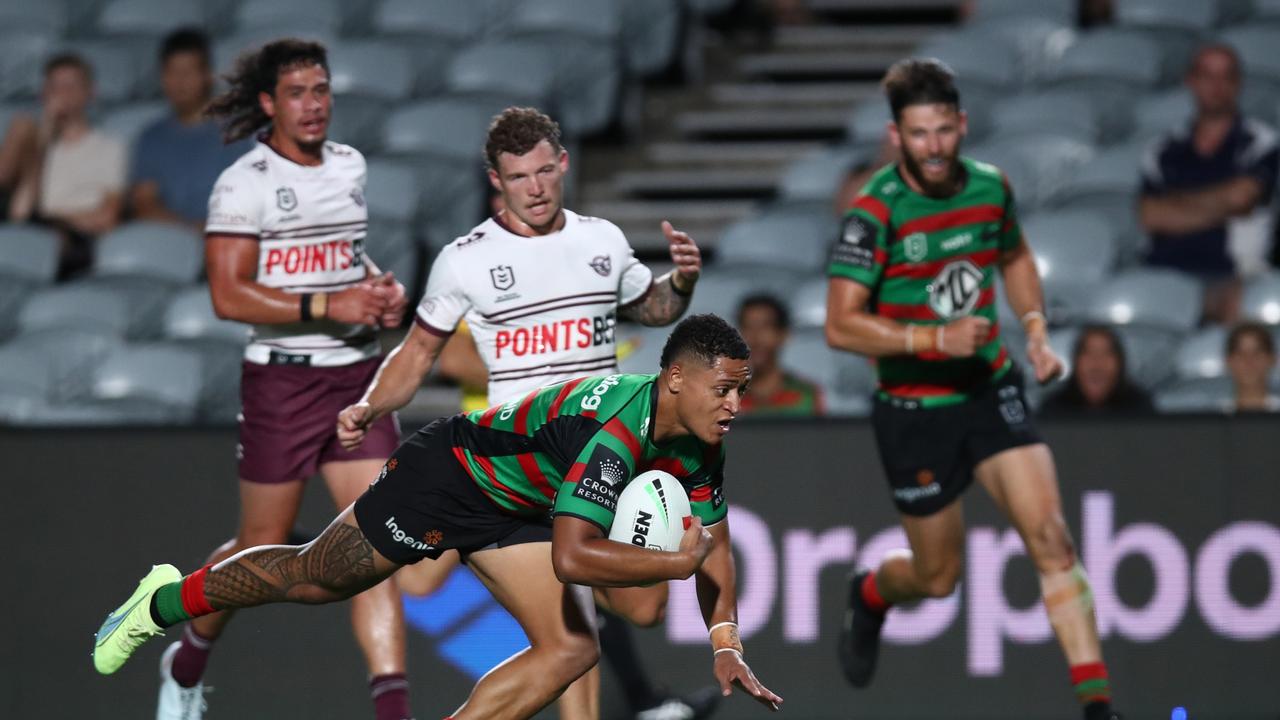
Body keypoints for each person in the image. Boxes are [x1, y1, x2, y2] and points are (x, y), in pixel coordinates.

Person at [93, 315, 783, 720]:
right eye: (723, 390)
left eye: (739, 392)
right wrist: (675, 562)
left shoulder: (701, 438)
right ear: (675, 381)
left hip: (519, 504)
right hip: (452, 476)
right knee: (315, 578)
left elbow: (710, 542)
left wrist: (724, 638)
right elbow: (574, 559)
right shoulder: (616, 435)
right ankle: (160, 601)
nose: (733, 405)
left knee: (575, 647)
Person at [369, 106, 720, 720]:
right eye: (518, 177)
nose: (535, 188)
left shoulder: (601, 240)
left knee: (644, 607)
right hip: (522, 461)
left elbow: (653, 308)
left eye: (543, 172)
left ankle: (363, 546)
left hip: (605, 451)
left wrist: (682, 283)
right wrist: (370, 405)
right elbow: (422, 351)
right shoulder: (465, 258)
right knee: (569, 630)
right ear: (495, 181)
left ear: (563, 164)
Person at [824, 59, 1119, 720]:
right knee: (937, 579)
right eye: (917, 134)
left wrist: (1036, 331)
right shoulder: (873, 214)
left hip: (989, 389)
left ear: (962, 124)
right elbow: (840, 327)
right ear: (897, 135)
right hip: (913, 411)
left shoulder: (990, 187)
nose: (932, 147)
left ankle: (1097, 705)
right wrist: (927, 342)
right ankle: (870, 593)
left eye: (943, 131)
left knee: (1051, 538)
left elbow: (1011, 255)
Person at [147, 39, 412, 720]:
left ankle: (393, 711)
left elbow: (346, 260)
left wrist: (378, 287)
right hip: (283, 385)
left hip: (355, 376)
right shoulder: (244, 183)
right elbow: (228, 295)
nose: (314, 104)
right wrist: (331, 305)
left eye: (321, 90)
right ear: (269, 104)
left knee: (375, 545)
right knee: (263, 546)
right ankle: (190, 653)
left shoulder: (350, 165)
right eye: (297, 93)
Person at [1138, 44, 1278, 325]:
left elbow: (1242, 197)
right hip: (1165, 274)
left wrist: (1175, 204)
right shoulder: (1164, 149)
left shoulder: (1261, 142)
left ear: (1238, 84)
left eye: (1226, 77)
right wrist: (1223, 203)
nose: (1217, 86)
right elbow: (1151, 215)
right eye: (1207, 76)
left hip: (1234, 277)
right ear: (1190, 81)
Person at [0, 52, 125, 277]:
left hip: (76, 241)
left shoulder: (109, 147)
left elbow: (107, 218)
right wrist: (44, 138)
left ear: (90, 92)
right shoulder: (35, 143)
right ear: (44, 94)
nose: (62, 94)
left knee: (48, 241)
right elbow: (20, 212)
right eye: (55, 86)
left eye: (71, 86)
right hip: (32, 231)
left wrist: (56, 217)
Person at [129, 28, 252, 229]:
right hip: (168, 239)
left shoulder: (235, 134)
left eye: (188, 72)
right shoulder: (150, 137)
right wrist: (190, 233)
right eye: (172, 72)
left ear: (207, 75)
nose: (180, 82)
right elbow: (144, 203)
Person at [735, 294, 824, 417]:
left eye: (765, 327)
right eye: (748, 327)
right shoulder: (728, 397)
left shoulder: (806, 395)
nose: (755, 338)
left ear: (784, 335)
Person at [1039, 325, 1153, 417]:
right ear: (1075, 361)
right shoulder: (1054, 412)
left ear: (1120, 362)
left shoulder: (1140, 411)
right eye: (1088, 353)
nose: (1097, 364)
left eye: (1106, 353)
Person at [1224, 321, 1280, 412]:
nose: (1249, 362)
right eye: (1240, 354)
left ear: (1272, 359)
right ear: (1228, 361)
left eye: (1257, 353)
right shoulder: (1206, 415)